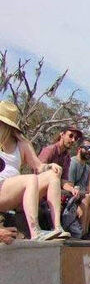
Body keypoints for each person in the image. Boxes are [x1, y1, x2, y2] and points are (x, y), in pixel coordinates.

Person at [0, 100, 67, 240]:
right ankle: (35, 231)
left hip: (16, 194)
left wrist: (50, 166)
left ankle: (57, 227)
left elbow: (39, 166)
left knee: (52, 176)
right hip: (2, 190)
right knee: (31, 179)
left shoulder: (22, 143)